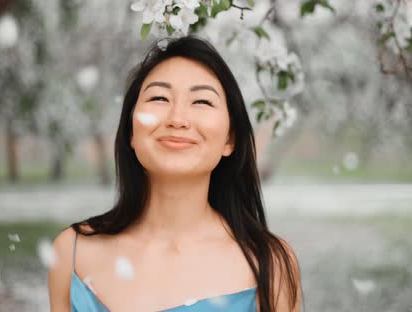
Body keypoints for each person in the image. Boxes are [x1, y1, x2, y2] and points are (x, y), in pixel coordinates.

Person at [48, 35, 303, 312]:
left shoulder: (269, 265)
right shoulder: (72, 253)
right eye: (159, 97)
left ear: (230, 139)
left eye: (202, 102)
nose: (177, 119)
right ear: (131, 132)